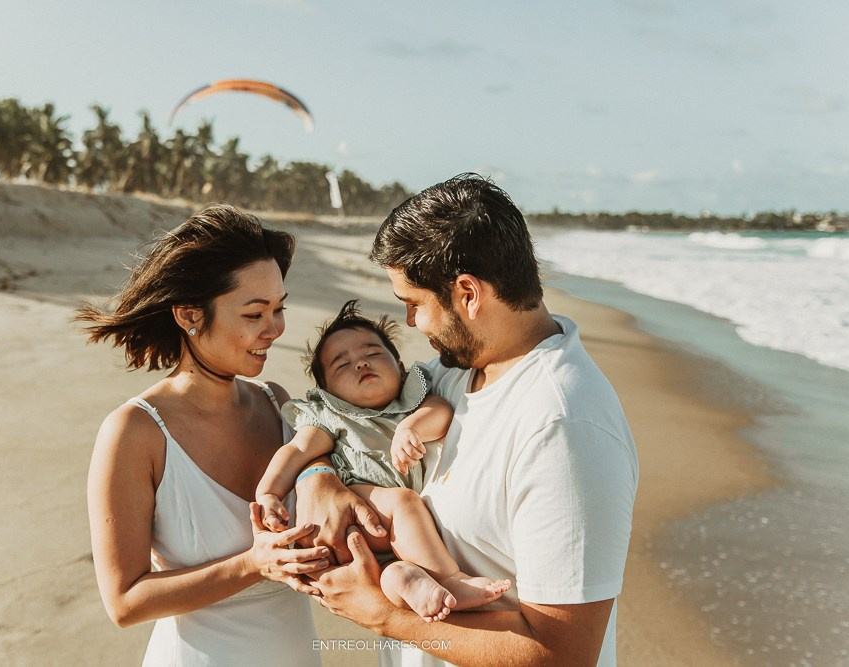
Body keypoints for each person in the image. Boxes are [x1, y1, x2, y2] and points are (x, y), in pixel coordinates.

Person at [297, 174, 639, 667]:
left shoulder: (563, 428)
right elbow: (353, 422)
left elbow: (563, 655)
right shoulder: (455, 373)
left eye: (414, 304)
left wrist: (384, 617)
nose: (412, 324)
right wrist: (318, 477)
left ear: (468, 293)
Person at [79, 205, 330, 666]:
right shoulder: (134, 432)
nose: (275, 328)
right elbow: (124, 601)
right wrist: (254, 564)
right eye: (254, 313)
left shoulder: (276, 403)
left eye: (279, 308)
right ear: (190, 315)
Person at [254, 300, 510, 623]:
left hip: (390, 533)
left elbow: (442, 414)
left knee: (396, 573)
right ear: (327, 390)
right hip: (361, 505)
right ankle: (451, 579)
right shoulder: (332, 417)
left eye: (372, 354)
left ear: (400, 367)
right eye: (341, 364)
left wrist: (410, 427)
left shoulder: (412, 400)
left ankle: (410, 583)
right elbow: (294, 452)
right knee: (404, 501)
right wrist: (268, 493)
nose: (360, 364)